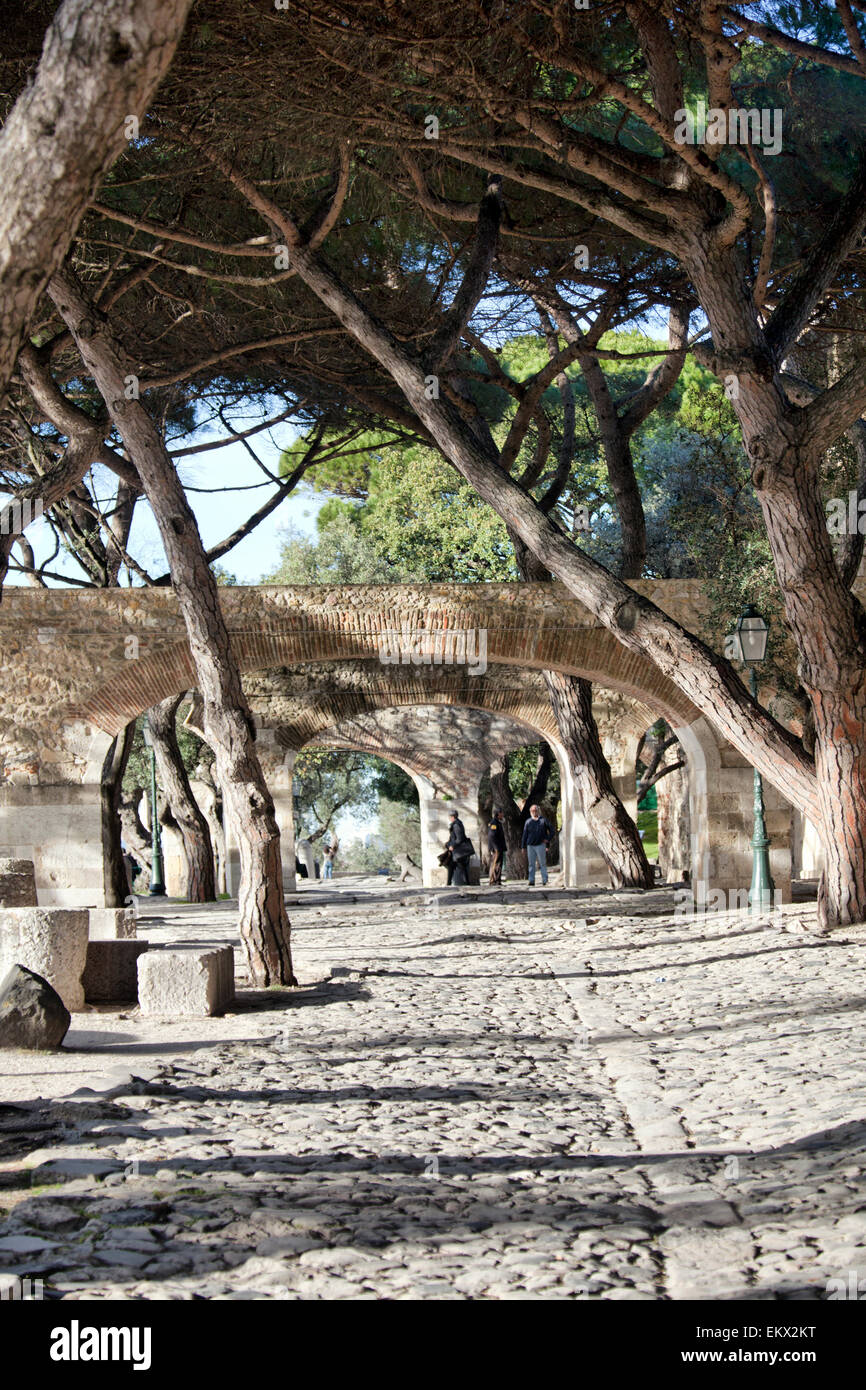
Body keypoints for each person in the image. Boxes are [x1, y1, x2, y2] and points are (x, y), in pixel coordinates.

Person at [521, 804, 552, 886]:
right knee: (531, 864)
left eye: (535, 810)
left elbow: (552, 831)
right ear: (530, 812)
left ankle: (545, 880)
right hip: (530, 846)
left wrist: (547, 839)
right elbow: (525, 834)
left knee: (542, 863)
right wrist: (523, 847)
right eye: (532, 811)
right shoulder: (528, 822)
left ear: (538, 811)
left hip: (541, 845)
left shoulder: (543, 820)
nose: (534, 812)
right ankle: (531, 880)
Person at [446, 810, 474, 887]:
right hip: (456, 851)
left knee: (462, 866)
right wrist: (448, 844)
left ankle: (468, 883)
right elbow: (452, 837)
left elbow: (459, 838)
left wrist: (453, 846)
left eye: (449, 817)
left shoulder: (456, 825)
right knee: (451, 865)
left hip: (459, 851)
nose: (449, 818)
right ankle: (448, 883)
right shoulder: (455, 824)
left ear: (453, 817)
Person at [487, 808, 506, 885]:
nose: (503, 815)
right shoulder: (494, 823)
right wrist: (495, 848)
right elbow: (492, 836)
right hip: (496, 848)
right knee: (495, 864)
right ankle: (492, 881)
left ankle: (497, 880)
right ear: (498, 814)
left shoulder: (498, 822)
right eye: (501, 813)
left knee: (499, 864)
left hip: (499, 847)